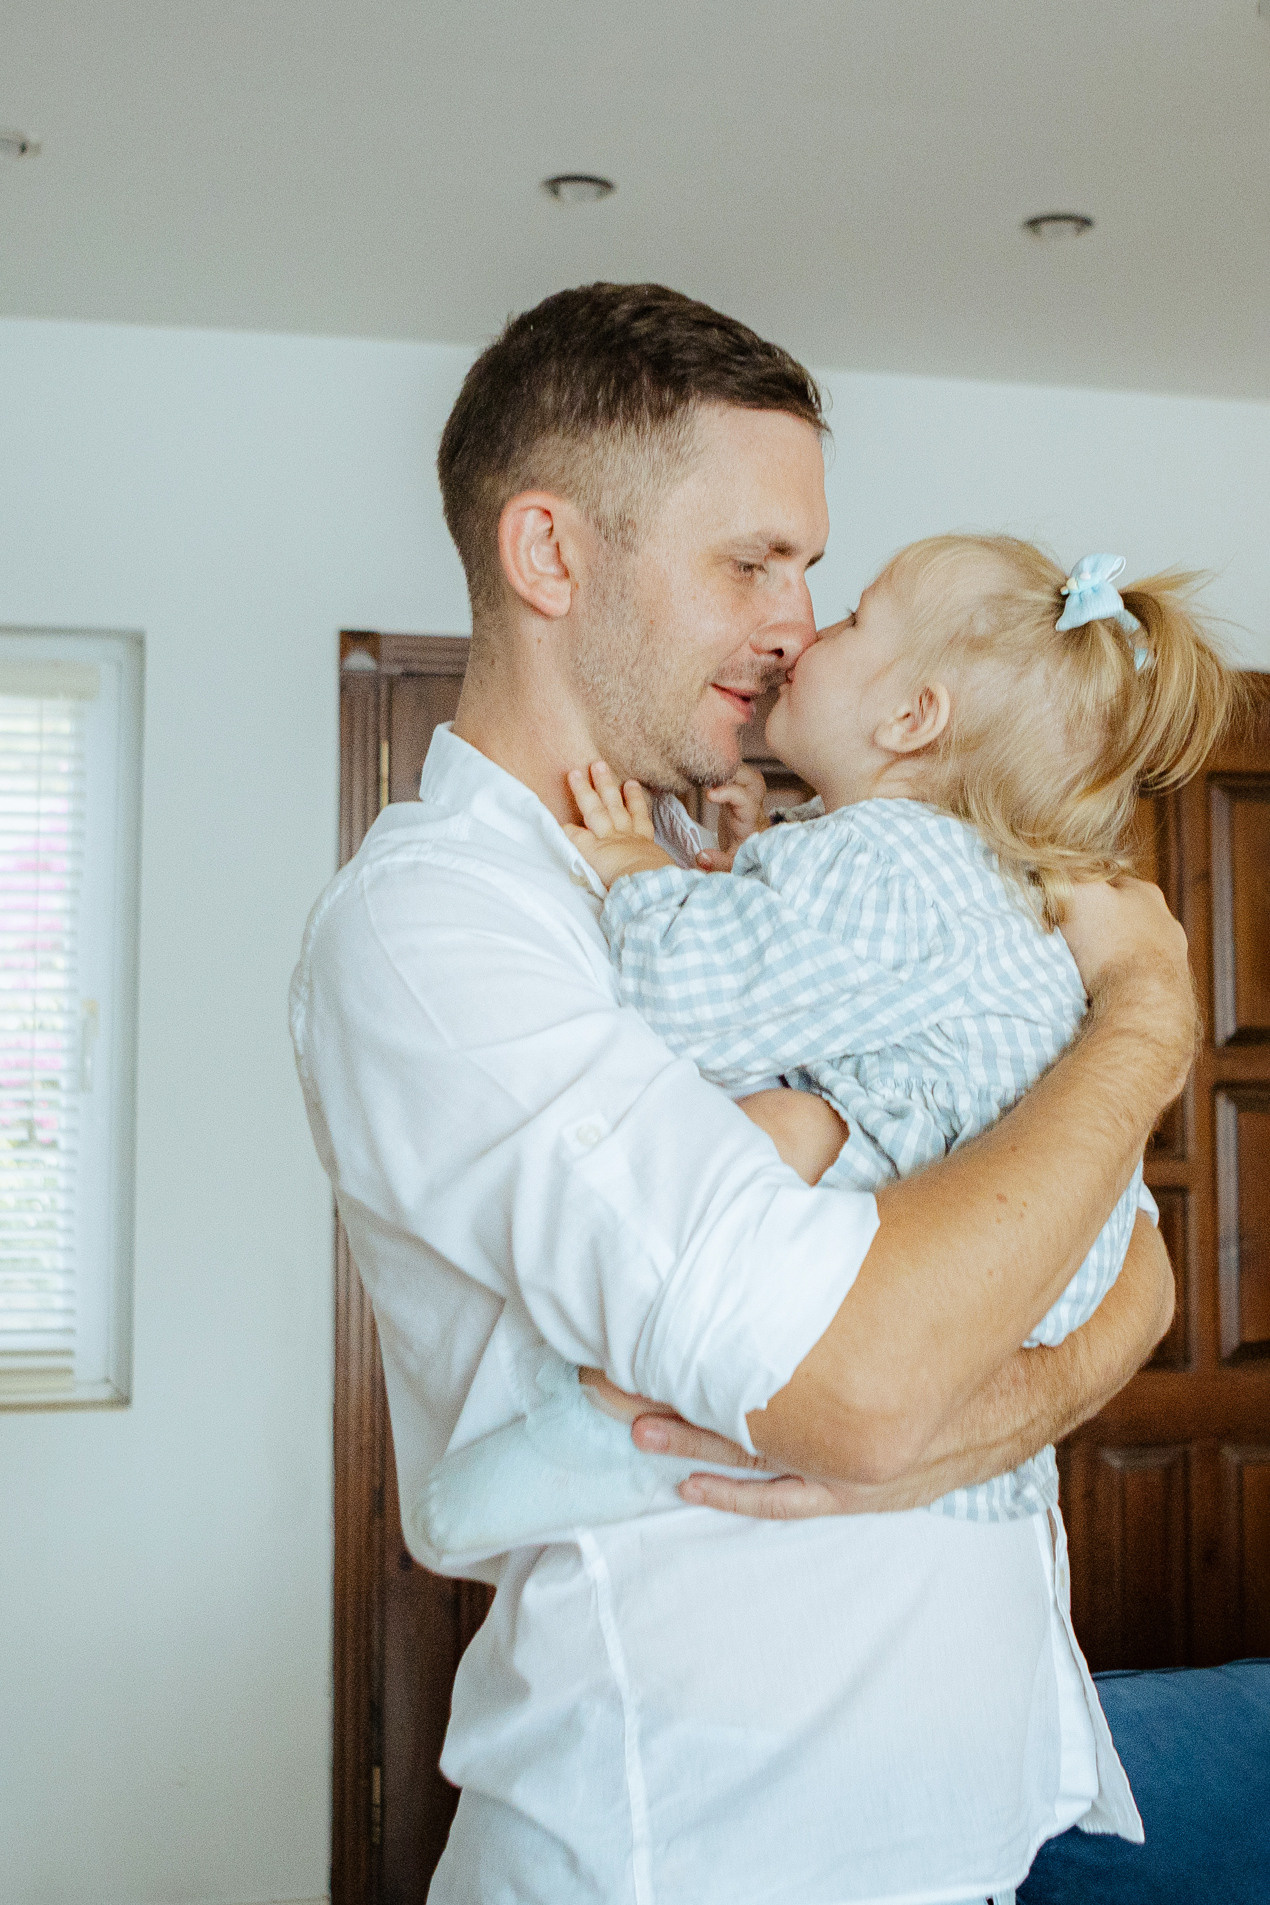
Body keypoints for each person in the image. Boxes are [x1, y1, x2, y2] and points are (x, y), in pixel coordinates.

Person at [290, 283, 1193, 1905]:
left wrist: (1019, 1384)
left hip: (938, 1829)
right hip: (697, 1844)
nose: (797, 620)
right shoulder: (438, 928)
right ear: (552, 557)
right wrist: (1142, 1026)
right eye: (750, 563)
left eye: (814, 572)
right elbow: (854, 1391)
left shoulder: (761, 869)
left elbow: (1129, 1265)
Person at [417, 536, 1233, 1558]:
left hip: (938, 1251)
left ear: (909, 717)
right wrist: (759, 857)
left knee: (781, 1125)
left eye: (850, 618)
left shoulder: (887, 866)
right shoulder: (961, 869)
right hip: (1019, 1336)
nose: (806, 630)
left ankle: (609, 1419)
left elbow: (692, 999)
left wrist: (635, 866)